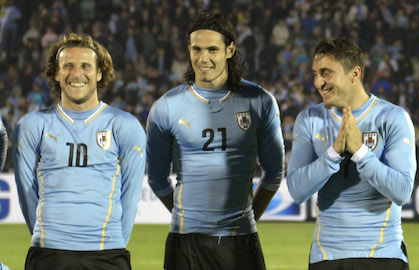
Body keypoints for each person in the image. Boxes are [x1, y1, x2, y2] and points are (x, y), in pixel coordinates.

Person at [146, 13, 284, 270]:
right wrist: (187, 217)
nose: (203, 58)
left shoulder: (259, 101)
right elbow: (156, 178)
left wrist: (247, 218)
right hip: (185, 244)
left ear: (230, 49)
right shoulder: (166, 107)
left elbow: (274, 173)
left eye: (212, 49)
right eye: (196, 49)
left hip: (241, 242)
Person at [12, 33, 146, 269]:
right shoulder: (33, 125)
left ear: (99, 72)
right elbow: (26, 193)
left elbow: (131, 195)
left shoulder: (125, 125)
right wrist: (50, 240)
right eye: (68, 66)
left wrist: (113, 245)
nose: (76, 74)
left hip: (108, 254)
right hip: (49, 254)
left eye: (85, 66)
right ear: (56, 73)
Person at [287, 37, 416, 270]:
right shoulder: (309, 119)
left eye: (326, 73)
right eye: (315, 73)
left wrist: (360, 152)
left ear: (354, 74)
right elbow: (296, 190)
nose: (318, 82)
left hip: (384, 256)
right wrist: (333, 154)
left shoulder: (392, 117)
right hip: (327, 257)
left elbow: (402, 191)